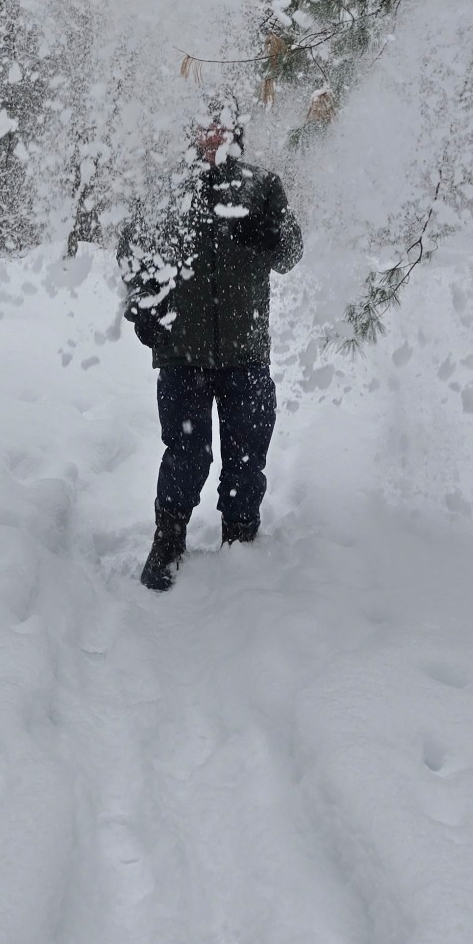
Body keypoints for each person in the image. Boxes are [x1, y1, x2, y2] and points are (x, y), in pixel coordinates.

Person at [118, 98, 303, 591]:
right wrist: (143, 305)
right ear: (193, 133)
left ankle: (240, 539)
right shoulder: (166, 190)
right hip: (183, 353)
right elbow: (131, 252)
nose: (214, 135)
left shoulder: (262, 186)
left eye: (222, 127)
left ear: (236, 132)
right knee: (185, 453)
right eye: (205, 127)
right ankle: (169, 538)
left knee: (247, 453)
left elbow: (291, 253)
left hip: (246, 352)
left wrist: (270, 232)